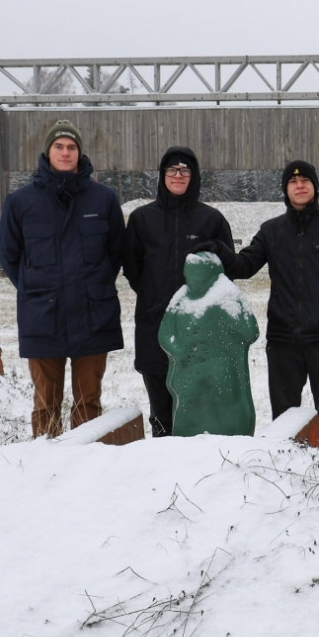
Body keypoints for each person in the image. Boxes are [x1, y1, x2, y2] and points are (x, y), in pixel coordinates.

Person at [222, 160, 319, 457]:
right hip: (283, 339)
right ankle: (288, 471)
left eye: (305, 181)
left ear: (314, 187)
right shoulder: (272, 231)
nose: (300, 186)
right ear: (286, 190)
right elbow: (245, 266)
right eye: (293, 182)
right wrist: (218, 248)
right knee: (285, 417)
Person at [0, 120, 126, 437]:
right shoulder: (21, 202)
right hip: (42, 315)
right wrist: (34, 288)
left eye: (71, 147)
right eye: (59, 146)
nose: (65, 152)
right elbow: (8, 255)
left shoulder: (103, 199)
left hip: (93, 314)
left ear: (80, 153)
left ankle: (87, 469)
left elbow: (117, 251)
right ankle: (45, 469)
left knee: (88, 404)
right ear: (48, 151)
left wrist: (94, 286)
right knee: (45, 405)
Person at [120, 147, 233, 437]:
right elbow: (133, 269)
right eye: (172, 170)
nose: (178, 175)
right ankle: (161, 463)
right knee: (161, 408)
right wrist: (154, 297)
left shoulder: (212, 220)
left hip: (201, 330)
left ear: (194, 177)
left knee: (198, 408)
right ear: (162, 175)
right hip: (154, 326)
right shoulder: (142, 219)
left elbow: (226, 270)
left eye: (185, 170)